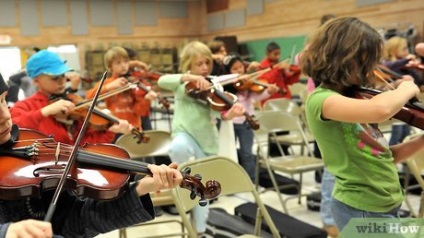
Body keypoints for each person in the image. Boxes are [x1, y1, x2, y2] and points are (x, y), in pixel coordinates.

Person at [0, 72, 183, 237]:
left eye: (2, 101)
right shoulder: (29, 111)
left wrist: (139, 189)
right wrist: (6, 232)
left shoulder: (28, 147)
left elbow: (75, 220)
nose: (6, 116)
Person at [301, 17, 424, 232]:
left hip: (385, 204)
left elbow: (386, 155)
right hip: (360, 208)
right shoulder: (321, 100)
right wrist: (405, 89)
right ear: (344, 58)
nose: (372, 69)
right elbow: (381, 110)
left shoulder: (356, 97)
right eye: (367, 62)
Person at [157, 41, 245, 236]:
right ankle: (178, 185)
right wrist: (189, 76)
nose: (205, 68)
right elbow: (162, 80)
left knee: (202, 193)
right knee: (179, 147)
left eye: (207, 63)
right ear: (188, 65)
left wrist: (229, 115)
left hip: (207, 142)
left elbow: (217, 114)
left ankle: (199, 231)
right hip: (185, 134)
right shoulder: (182, 85)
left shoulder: (215, 85)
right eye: (199, 64)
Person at [10, 50, 133, 145]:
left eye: (63, 75)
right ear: (36, 81)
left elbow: (85, 144)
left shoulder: (72, 101)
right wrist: (45, 111)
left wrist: (111, 131)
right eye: (55, 78)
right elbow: (13, 127)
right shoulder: (25, 105)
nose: (62, 81)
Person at [295, 13, 338, 237]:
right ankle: (329, 221)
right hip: (321, 105)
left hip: (333, 104)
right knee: (331, 166)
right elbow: (300, 60)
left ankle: (333, 219)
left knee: (333, 166)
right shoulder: (315, 51)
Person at [221, 54, 278, 182]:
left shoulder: (248, 83)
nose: (239, 70)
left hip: (247, 121)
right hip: (231, 123)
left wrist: (269, 91)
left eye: (241, 67)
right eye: (235, 69)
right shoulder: (225, 87)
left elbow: (256, 97)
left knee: (247, 153)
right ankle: (231, 180)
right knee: (230, 154)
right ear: (227, 72)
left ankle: (250, 180)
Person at [85, 46, 157, 137]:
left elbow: (140, 112)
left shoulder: (133, 83)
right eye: (118, 63)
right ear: (110, 67)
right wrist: (108, 87)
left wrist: (146, 100)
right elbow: (88, 97)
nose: (123, 65)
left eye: (126, 61)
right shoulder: (108, 82)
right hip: (114, 128)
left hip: (133, 128)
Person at [381, 36, 424, 146]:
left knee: (406, 131)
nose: (407, 52)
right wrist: (406, 60)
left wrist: (416, 68)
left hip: (409, 105)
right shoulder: (390, 64)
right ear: (394, 50)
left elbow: (419, 81)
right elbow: (389, 66)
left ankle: (403, 160)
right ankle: (392, 149)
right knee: (397, 132)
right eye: (404, 49)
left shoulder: (407, 66)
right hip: (397, 104)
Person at [259, 41, 301, 106]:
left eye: (279, 54)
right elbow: (266, 81)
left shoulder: (278, 65)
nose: (278, 57)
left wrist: (295, 71)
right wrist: (277, 69)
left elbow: (288, 81)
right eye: (275, 54)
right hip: (270, 101)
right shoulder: (262, 66)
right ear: (268, 54)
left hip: (284, 97)